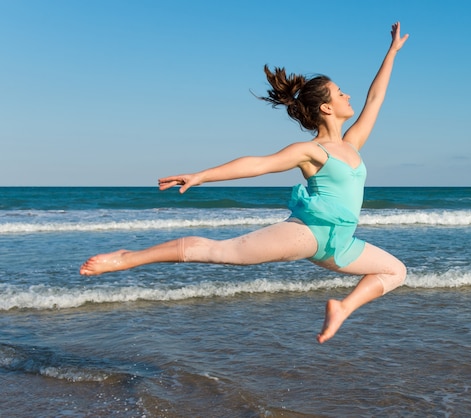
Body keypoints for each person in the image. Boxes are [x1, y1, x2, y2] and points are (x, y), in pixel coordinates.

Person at [80, 22, 409, 344]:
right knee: (222, 251)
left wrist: (391, 51)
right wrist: (202, 175)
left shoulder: (352, 144)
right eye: (340, 93)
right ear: (326, 107)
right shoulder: (312, 151)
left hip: (341, 244)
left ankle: (342, 307)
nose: (347, 95)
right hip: (308, 233)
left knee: (396, 272)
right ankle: (128, 257)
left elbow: (375, 98)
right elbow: (258, 164)